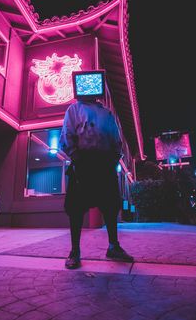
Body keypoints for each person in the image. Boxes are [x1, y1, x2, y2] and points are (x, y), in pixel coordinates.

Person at [59, 97, 134, 269]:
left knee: (110, 206)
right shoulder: (73, 109)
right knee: (76, 208)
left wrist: (113, 160)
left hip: (105, 164)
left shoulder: (107, 112)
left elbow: (116, 140)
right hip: (82, 162)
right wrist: (76, 158)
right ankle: (75, 251)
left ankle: (113, 246)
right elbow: (67, 135)